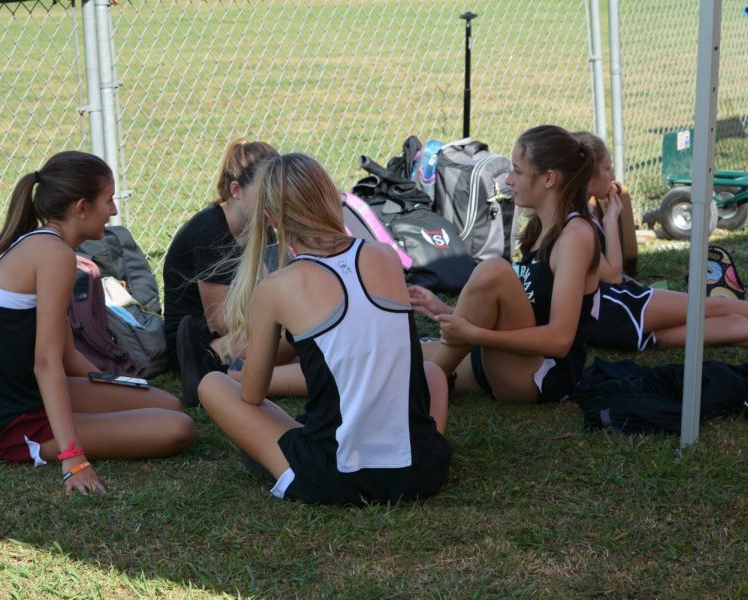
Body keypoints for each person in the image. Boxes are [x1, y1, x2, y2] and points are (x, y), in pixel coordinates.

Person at [198, 153, 452, 505]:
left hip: (335, 476)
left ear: (270, 218)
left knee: (212, 384)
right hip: (422, 471)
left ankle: (296, 450)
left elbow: (253, 395)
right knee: (432, 373)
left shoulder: (275, 287)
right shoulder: (385, 256)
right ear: (332, 200)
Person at [0, 151, 196, 496]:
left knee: (167, 404)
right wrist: (74, 459)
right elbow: (47, 362)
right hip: (11, 424)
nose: (113, 211)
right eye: (108, 200)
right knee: (178, 427)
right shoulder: (54, 255)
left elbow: (68, 357)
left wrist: (120, 385)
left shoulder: (46, 245)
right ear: (81, 207)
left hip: (34, 396)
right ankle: (63, 444)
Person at [411, 125, 601, 403]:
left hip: (542, 374)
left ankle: (427, 390)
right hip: (509, 360)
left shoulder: (575, 237)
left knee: (494, 270)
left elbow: (560, 340)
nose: (509, 180)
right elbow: (524, 310)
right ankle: (433, 377)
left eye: (518, 171)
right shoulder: (540, 227)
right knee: (401, 356)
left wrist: (476, 334)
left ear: (549, 178)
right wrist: (448, 312)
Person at [574, 130, 748, 350]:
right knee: (717, 307)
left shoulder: (583, 211)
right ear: (587, 178)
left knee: (736, 326)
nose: (612, 176)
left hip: (616, 320)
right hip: (613, 312)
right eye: (607, 168)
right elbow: (612, 276)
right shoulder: (576, 223)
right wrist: (612, 219)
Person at [162, 139, 296, 403]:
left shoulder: (261, 222)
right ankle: (211, 369)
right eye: (266, 191)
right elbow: (221, 322)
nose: (274, 199)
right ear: (236, 190)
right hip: (204, 342)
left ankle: (233, 377)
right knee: (298, 338)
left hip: (249, 327)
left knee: (306, 338)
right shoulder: (210, 231)